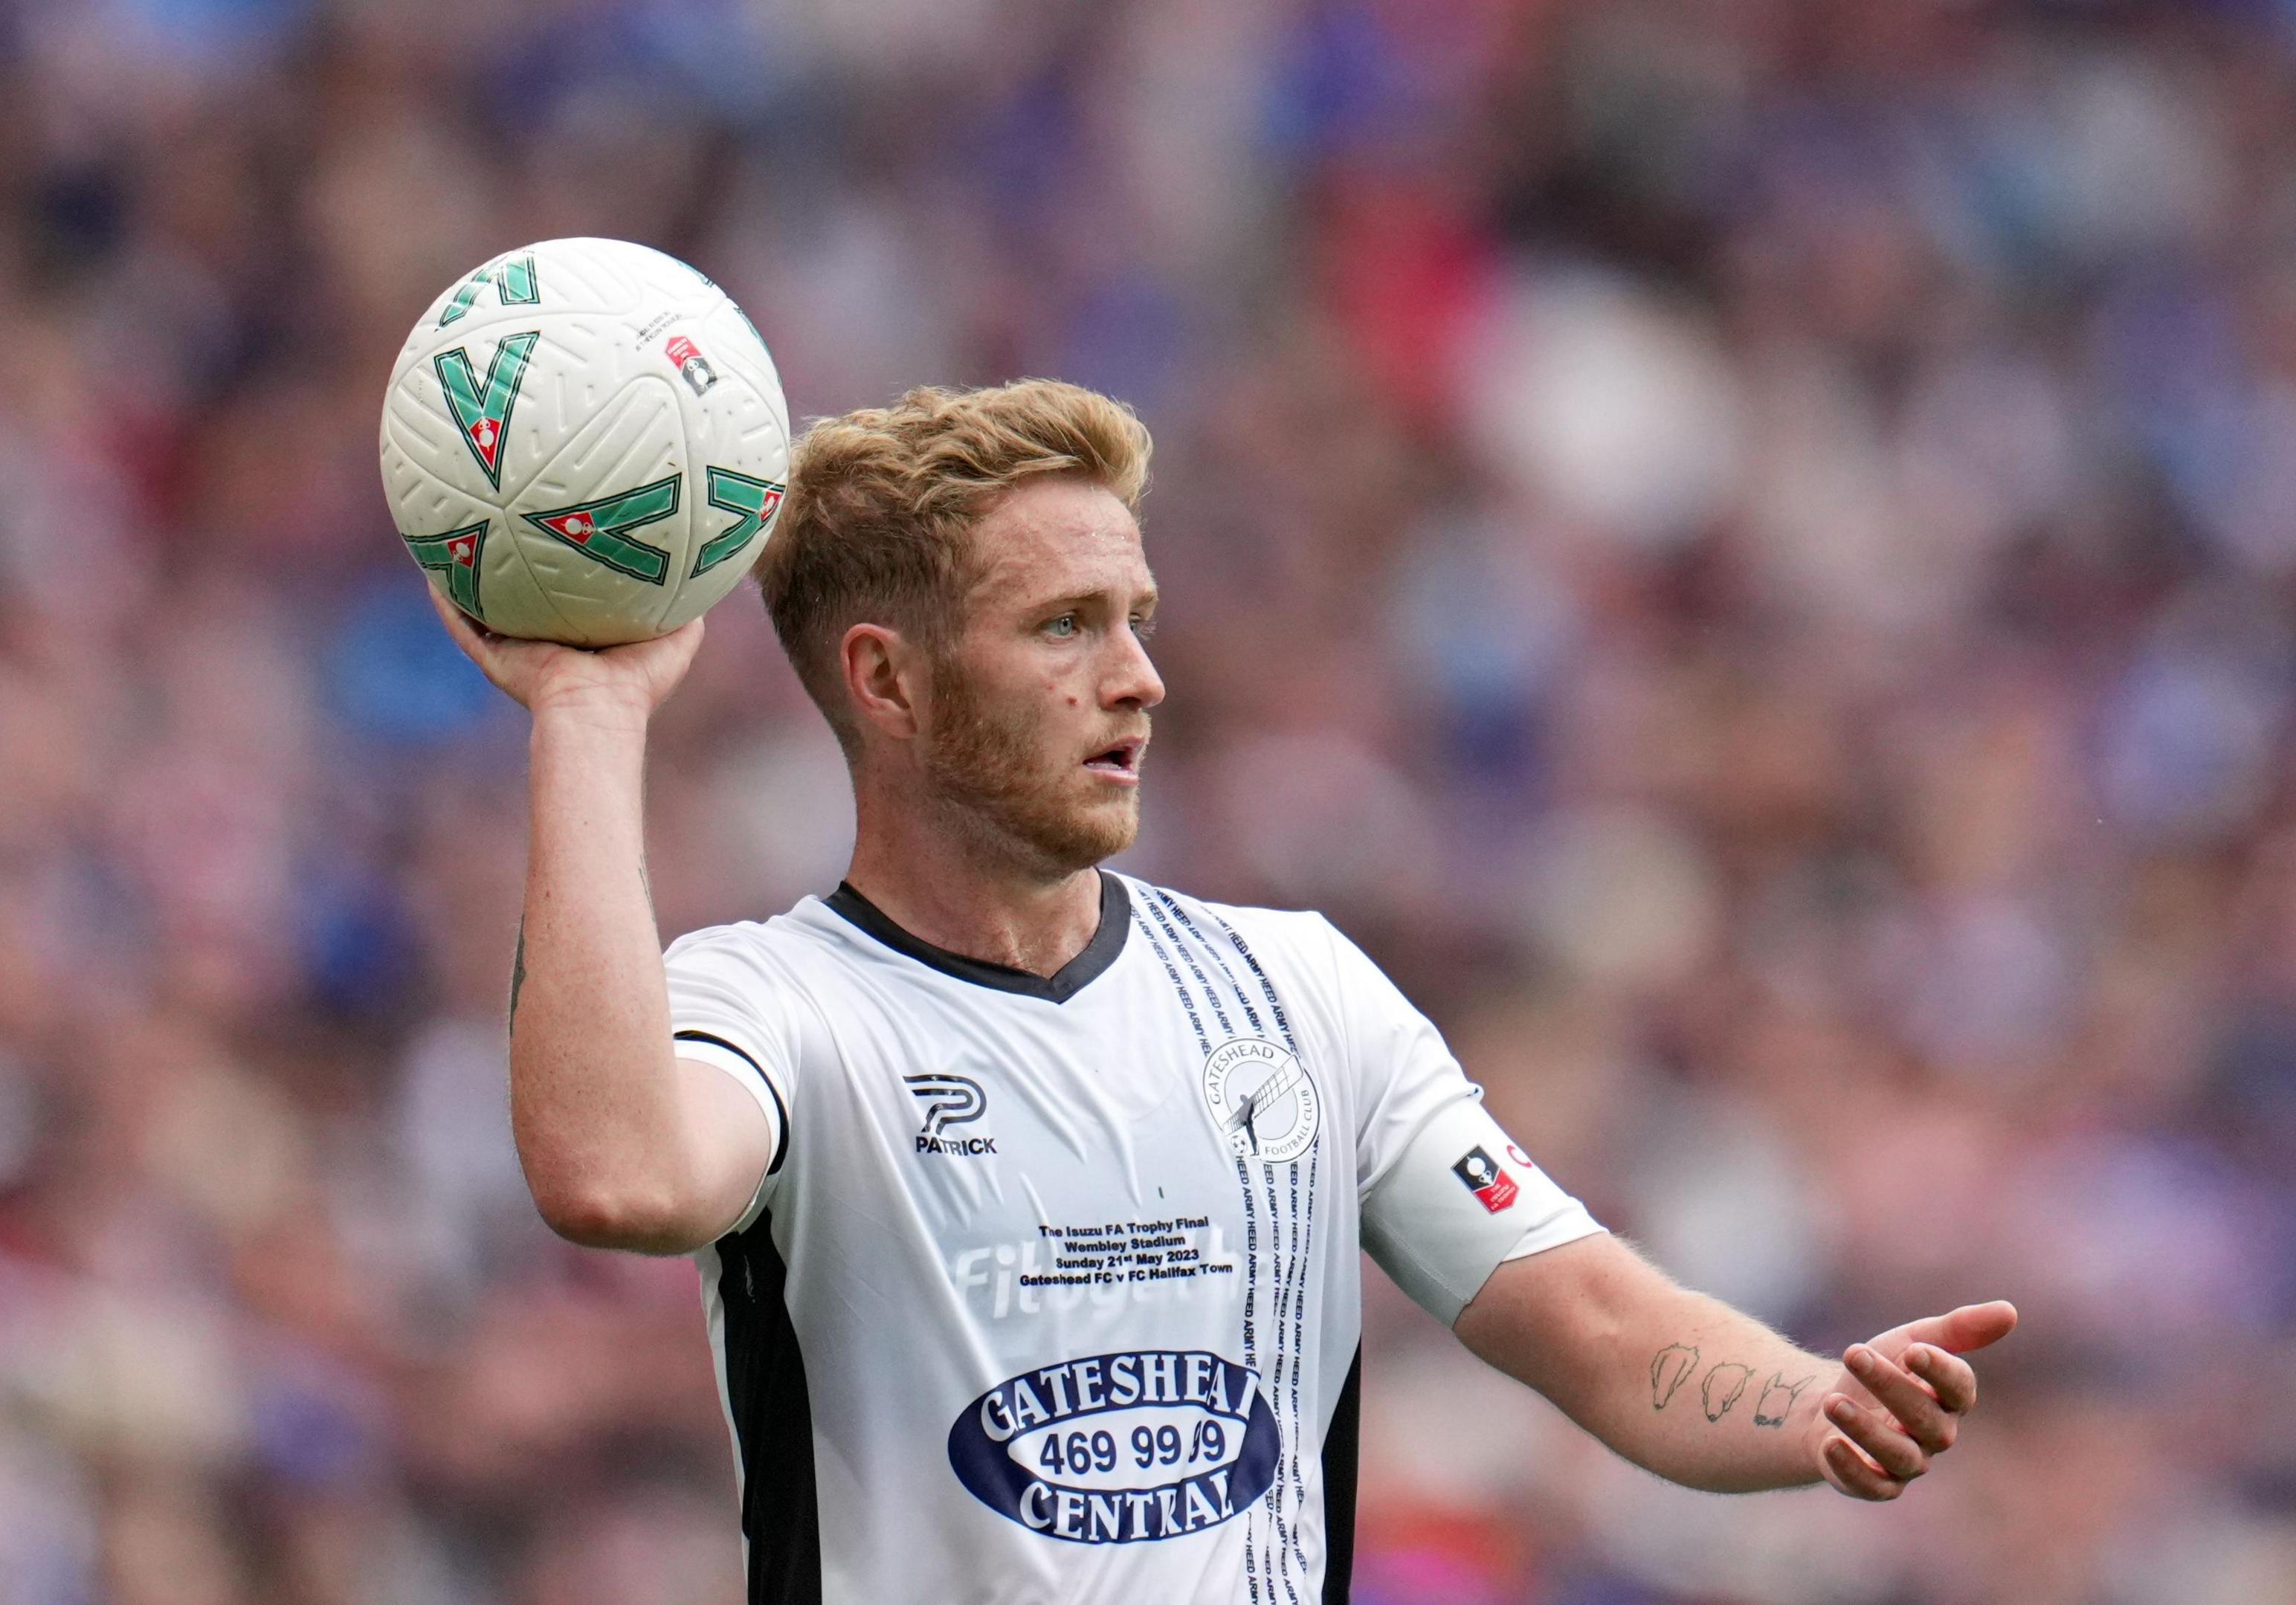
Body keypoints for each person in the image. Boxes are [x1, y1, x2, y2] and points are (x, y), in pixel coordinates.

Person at [433, 379, 2017, 1605]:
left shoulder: (1296, 989)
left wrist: (1814, 1407)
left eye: (1139, 619)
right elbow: (617, 1174)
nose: (1141, 676)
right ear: (886, 681)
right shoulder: (775, 1007)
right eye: (1065, 626)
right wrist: (587, 708)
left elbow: (1595, 1323)